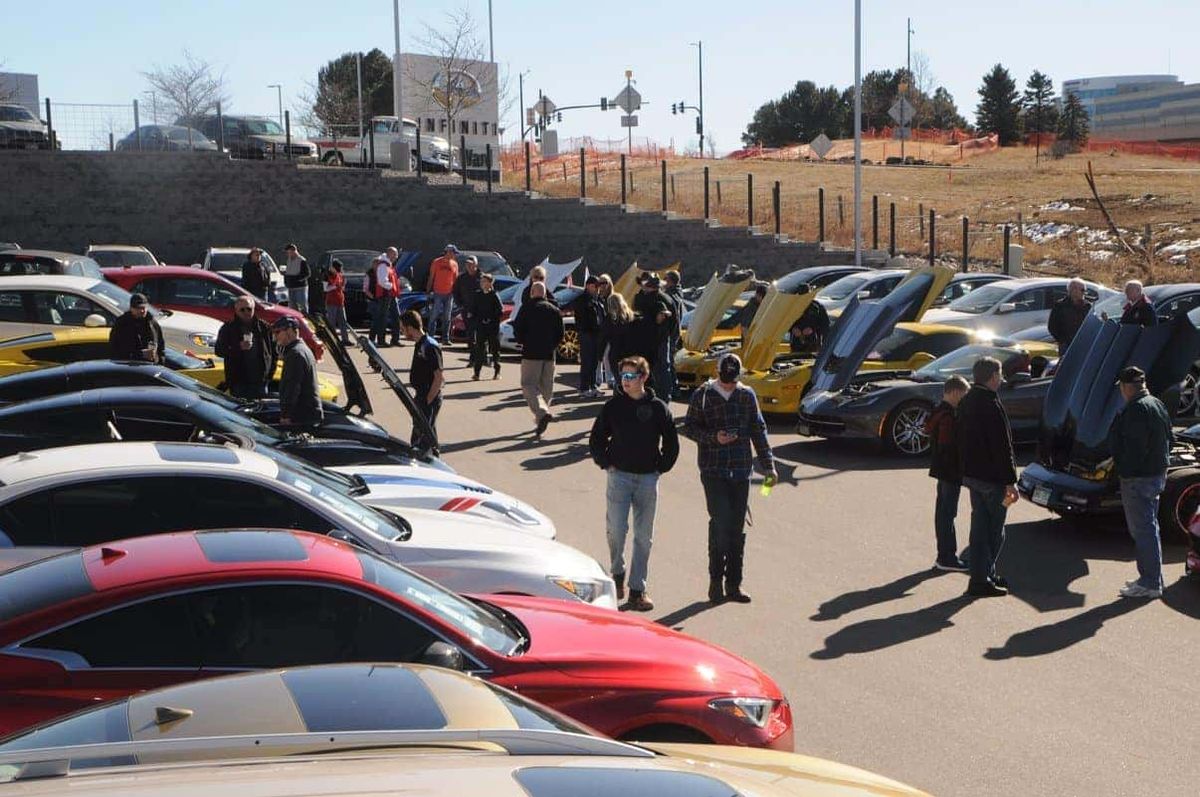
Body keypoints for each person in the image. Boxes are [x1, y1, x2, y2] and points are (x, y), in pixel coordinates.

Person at [682, 352, 777, 604]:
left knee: (736, 528)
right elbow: (689, 427)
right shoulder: (703, 395)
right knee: (720, 523)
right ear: (717, 373)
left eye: (733, 380)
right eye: (725, 380)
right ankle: (715, 581)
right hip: (713, 470)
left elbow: (758, 430)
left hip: (741, 470)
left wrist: (769, 466)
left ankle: (734, 584)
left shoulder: (747, 395)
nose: (729, 385)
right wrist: (714, 438)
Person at [588, 355, 680, 612]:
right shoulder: (614, 407)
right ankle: (617, 574)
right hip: (619, 477)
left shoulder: (658, 408)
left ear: (644, 377)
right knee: (616, 530)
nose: (625, 381)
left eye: (630, 376)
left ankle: (637, 590)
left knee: (643, 537)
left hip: (647, 479)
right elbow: (596, 439)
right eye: (623, 376)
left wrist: (660, 467)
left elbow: (671, 443)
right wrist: (606, 463)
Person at [957, 357, 1019, 598]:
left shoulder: (967, 401)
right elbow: (1002, 447)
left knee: (980, 527)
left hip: (973, 476)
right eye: (1000, 375)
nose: (1001, 379)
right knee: (994, 530)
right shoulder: (991, 404)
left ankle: (984, 574)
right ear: (993, 376)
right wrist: (1010, 481)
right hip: (992, 479)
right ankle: (981, 578)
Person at [1108, 366, 1172, 599]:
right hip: (1155, 473)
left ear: (1126, 387)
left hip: (1138, 477)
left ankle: (1150, 582)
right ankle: (1151, 577)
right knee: (1149, 528)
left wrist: (1124, 470)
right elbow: (1170, 436)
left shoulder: (1135, 409)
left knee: (1143, 530)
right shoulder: (1156, 403)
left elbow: (1134, 448)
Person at [924, 376, 971, 572]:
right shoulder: (949, 416)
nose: (965, 399)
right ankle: (947, 556)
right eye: (964, 394)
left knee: (942, 513)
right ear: (955, 392)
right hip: (950, 471)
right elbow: (948, 445)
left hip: (940, 470)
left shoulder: (937, 411)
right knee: (948, 514)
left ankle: (943, 554)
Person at [512, 281, 564, 439]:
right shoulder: (554, 310)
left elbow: (518, 328)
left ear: (532, 293)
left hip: (531, 353)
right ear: (545, 294)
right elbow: (560, 333)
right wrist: (552, 345)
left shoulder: (527, 308)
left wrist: (522, 341)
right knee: (546, 387)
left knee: (528, 384)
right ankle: (542, 416)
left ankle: (542, 413)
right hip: (549, 354)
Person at [215, 296, 277, 399]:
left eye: (249, 309)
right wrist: (238, 347)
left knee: (260, 407)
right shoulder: (228, 329)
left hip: (260, 381)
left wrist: (269, 375)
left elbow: (274, 353)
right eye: (242, 310)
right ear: (236, 310)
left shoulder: (264, 327)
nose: (246, 312)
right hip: (239, 382)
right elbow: (219, 351)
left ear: (254, 309)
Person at [401, 310, 444, 451]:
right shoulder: (420, 344)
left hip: (428, 397)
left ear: (410, 328)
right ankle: (434, 457)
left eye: (403, 328)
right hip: (421, 395)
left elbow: (439, 377)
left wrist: (428, 400)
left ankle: (422, 460)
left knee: (421, 439)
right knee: (429, 436)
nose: (402, 332)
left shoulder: (429, 346)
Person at [273, 316, 323, 427]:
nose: (275, 337)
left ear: (290, 331)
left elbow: (292, 386)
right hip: (308, 413)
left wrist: (286, 415)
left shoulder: (295, 354)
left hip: (301, 415)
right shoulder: (302, 349)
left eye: (278, 332)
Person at [572, 276, 606, 397]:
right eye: (594, 286)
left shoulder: (598, 299)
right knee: (587, 361)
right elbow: (582, 317)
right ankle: (584, 388)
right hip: (586, 333)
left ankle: (593, 386)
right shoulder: (582, 299)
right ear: (587, 286)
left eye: (598, 286)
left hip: (597, 334)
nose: (597, 288)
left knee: (594, 362)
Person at [109, 292, 164, 363]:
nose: (141, 311)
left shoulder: (152, 322)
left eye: (143, 308)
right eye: (138, 308)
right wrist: (140, 354)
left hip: (151, 366)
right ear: (131, 308)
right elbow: (115, 350)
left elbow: (161, 346)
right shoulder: (122, 323)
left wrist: (160, 361)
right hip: (129, 366)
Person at [1047, 278, 1093, 354]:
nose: (1084, 293)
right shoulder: (1060, 306)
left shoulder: (1088, 306)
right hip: (1066, 346)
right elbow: (1052, 326)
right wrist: (1062, 341)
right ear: (1073, 290)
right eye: (1082, 290)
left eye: (1084, 290)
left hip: (1084, 344)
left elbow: (1093, 324)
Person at [471, 273, 503, 380]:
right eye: (481, 281)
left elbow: (500, 311)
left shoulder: (494, 295)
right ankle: (477, 373)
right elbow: (473, 309)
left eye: (484, 281)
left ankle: (497, 371)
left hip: (492, 327)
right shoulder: (478, 295)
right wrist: (474, 317)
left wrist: (491, 319)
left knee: (494, 349)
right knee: (480, 349)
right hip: (481, 326)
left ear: (490, 283)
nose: (482, 283)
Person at [426, 244, 460, 344]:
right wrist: (428, 291)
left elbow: (456, 280)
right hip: (437, 293)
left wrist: (456, 293)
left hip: (449, 294)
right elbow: (431, 277)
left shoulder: (455, 264)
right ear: (448, 252)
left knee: (447, 317)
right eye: (453, 253)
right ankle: (430, 337)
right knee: (434, 315)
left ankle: (445, 338)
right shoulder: (436, 262)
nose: (454, 255)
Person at [602, 293, 636, 391]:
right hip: (629, 351)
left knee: (618, 378)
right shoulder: (630, 316)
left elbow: (605, 336)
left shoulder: (610, 318)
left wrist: (600, 352)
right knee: (629, 376)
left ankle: (620, 393)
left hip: (615, 351)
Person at [453, 254, 482, 359]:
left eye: (471, 264)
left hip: (479, 311)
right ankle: (472, 357)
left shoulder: (482, 278)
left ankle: (482, 356)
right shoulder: (461, 278)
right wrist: (460, 305)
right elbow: (455, 292)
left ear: (476, 265)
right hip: (466, 310)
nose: (469, 266)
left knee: (480, 334)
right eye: (467, 264)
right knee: (470, 334)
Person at [369, 252, 400, 347]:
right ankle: (381, 340)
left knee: (396, 317)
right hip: (385, 295)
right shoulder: (383, 266)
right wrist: (391, 286)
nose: (396, 257)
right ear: (390, 254)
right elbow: (382, 281)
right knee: (382, 318)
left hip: (391, 295)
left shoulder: (388, 265)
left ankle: (395, 339)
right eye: (395, 255)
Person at [323, 259, 350, 346]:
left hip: (340, 301)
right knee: (332, 322)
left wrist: (343, 285)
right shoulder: (327, 275)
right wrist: (335, 286)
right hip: (331, 302)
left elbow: (342, 288)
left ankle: (345, 339)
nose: (339, 270)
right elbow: (325, 289)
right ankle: (332, 340)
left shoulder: (340, 275)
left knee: (343, 321)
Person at [282, 244, 311, 314]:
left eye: (288, 252)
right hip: (291, 287)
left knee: (302, 306)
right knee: (292, 307)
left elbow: (307, 273)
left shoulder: (302, 260)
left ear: (294, 251)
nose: (287, 254)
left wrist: (296, 279)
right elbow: (287, 272)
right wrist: (286, 280)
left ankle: (305, 318)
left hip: (300, 288)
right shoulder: (288, 260)